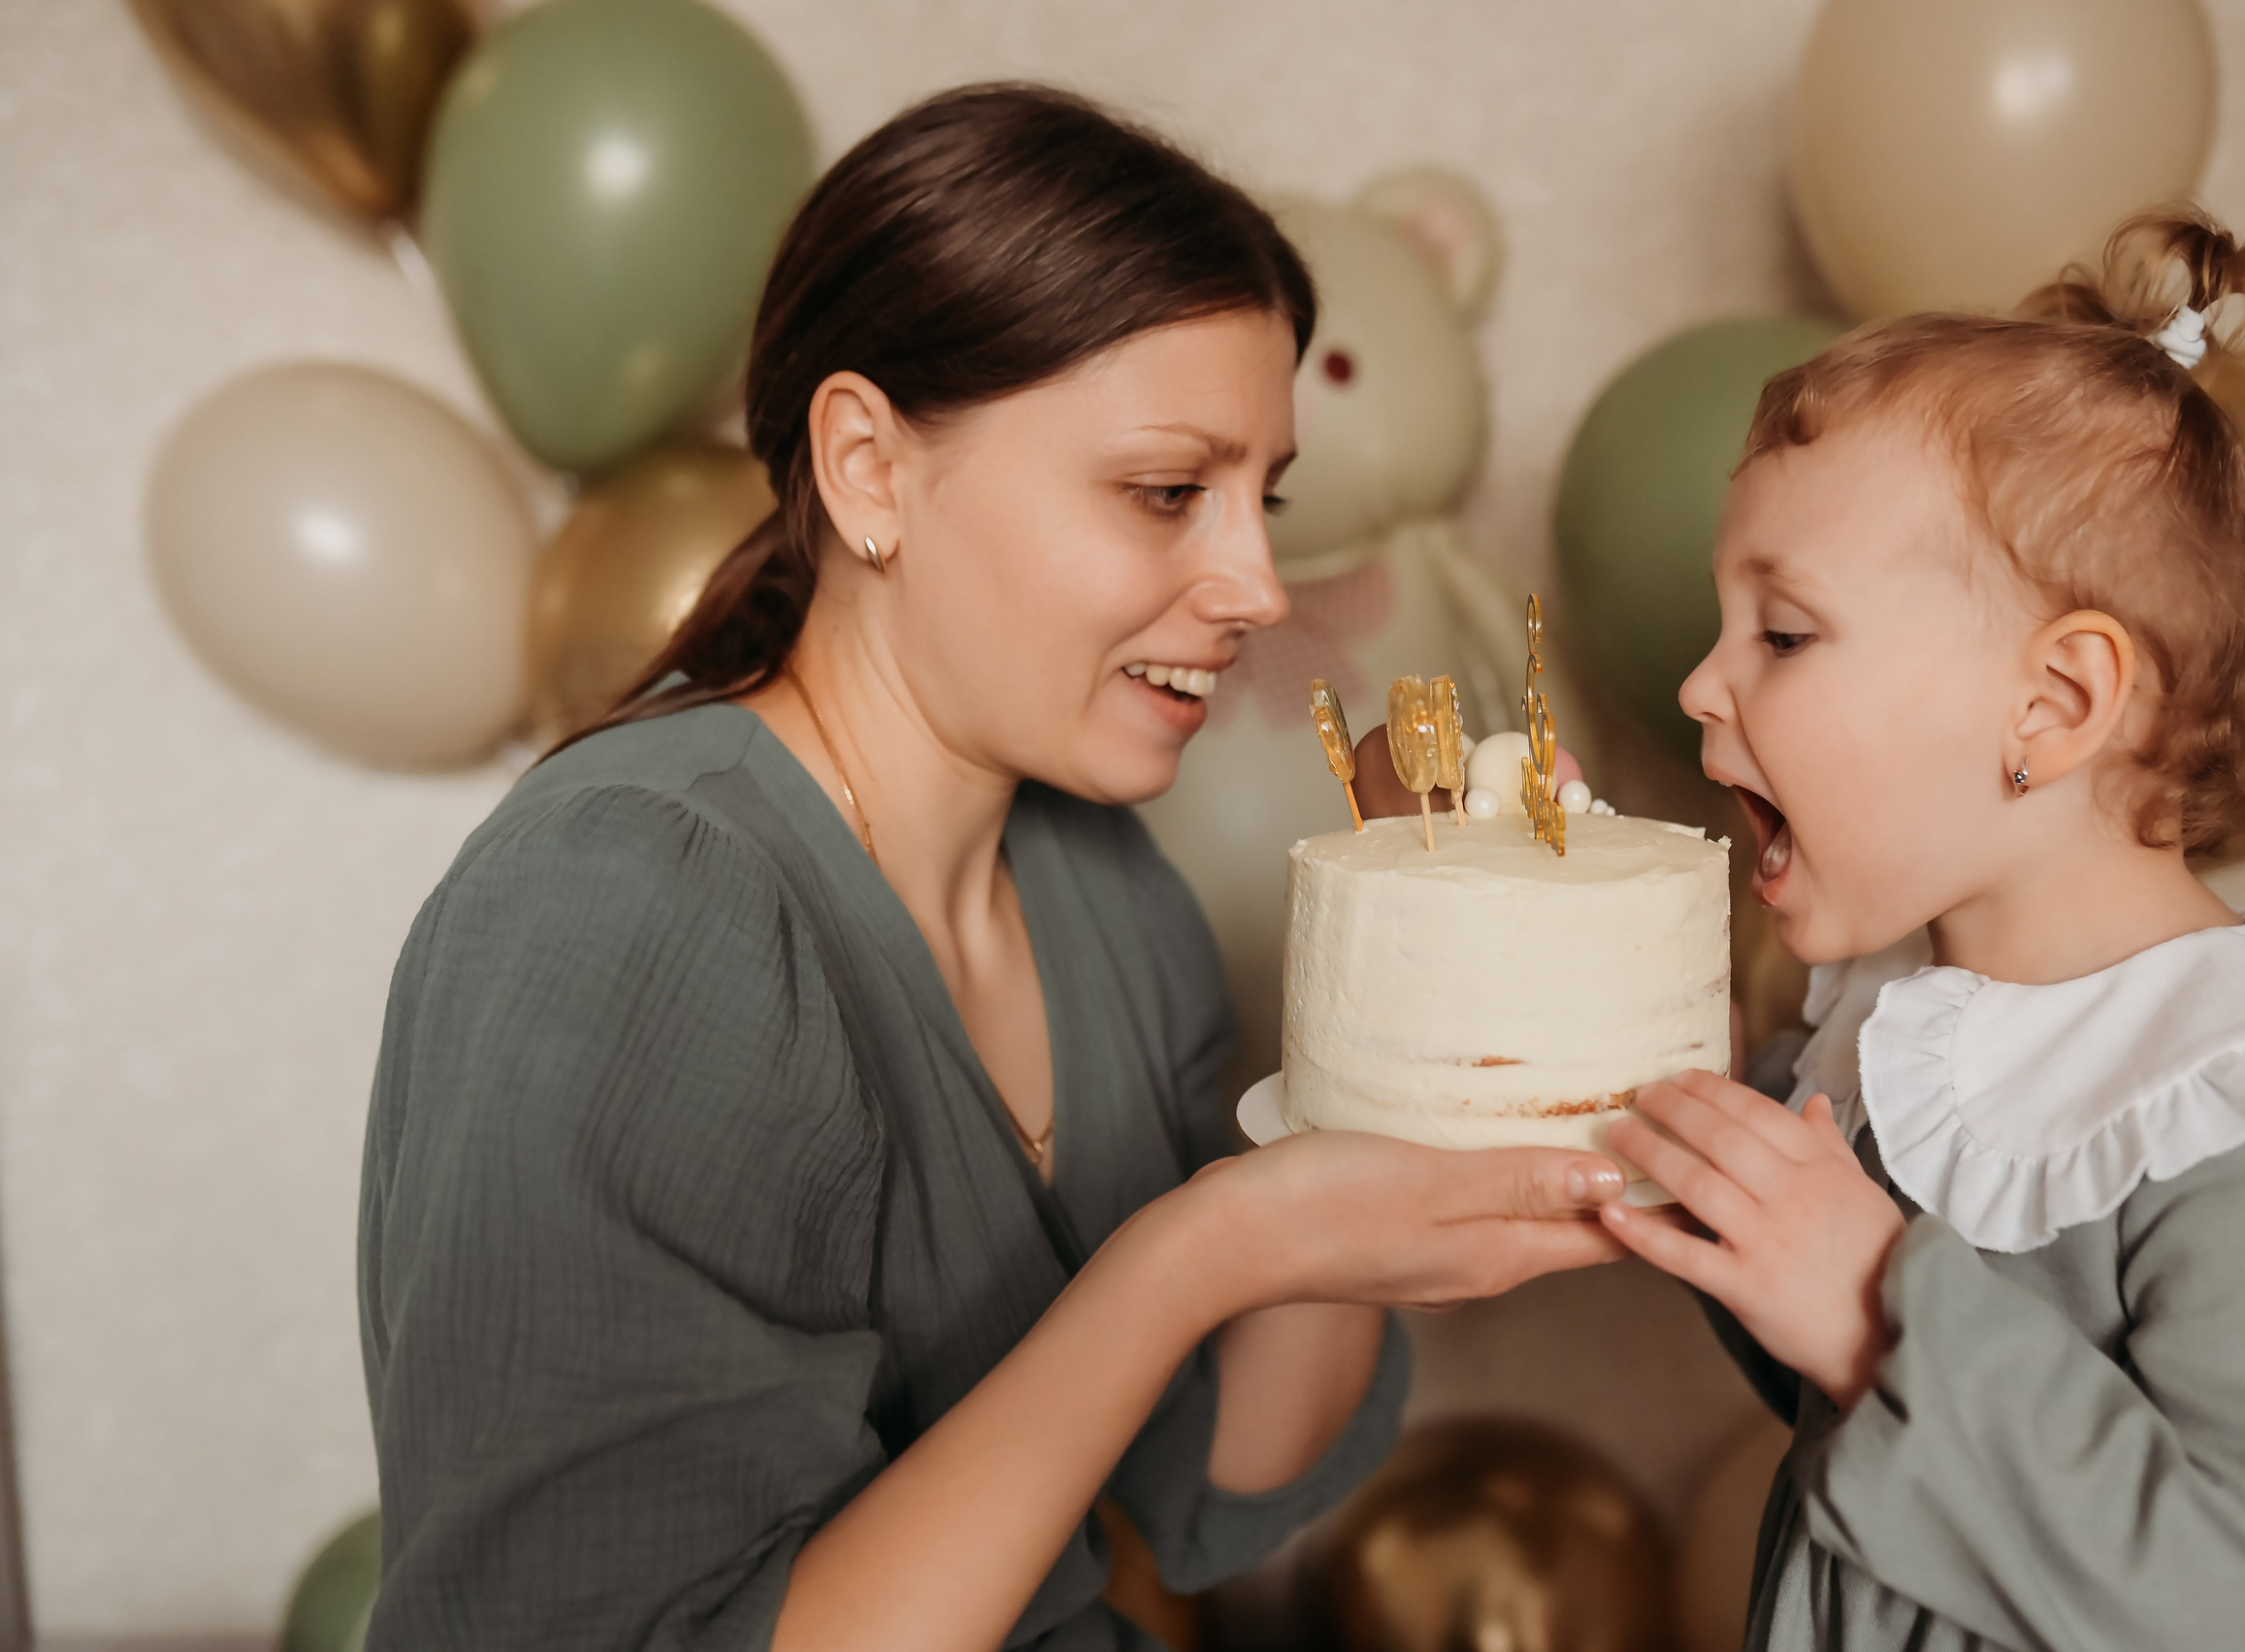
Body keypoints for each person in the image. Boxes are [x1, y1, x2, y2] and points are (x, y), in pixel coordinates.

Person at [357, 84, 1629, 1652]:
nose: (1251, 583)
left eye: (1265, 500)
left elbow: (1215, 1476)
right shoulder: (631, 905)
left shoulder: (1103, 887)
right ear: (869, 467)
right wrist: (1192, 1254)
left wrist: (1402, 987)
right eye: (1170, 491)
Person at [1596, 207, 2245, 1649]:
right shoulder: (1888, 1039)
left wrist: (1885, 1312)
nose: (1702, 686)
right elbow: (1864, 1445)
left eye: (1784, 633)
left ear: (2055, 707)